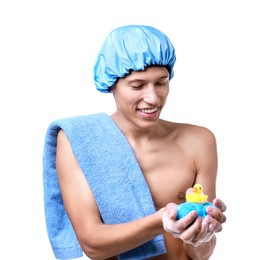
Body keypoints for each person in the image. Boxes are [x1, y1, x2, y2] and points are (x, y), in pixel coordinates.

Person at [43, 25, 227, 260]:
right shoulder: (78, 141)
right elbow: (93, 244)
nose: (153, 98)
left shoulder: (199, 141)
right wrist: (160, 221)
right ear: (112, 85)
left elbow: (200, 253)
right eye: (138, 85)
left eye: (161, 82)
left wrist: (202, 235)